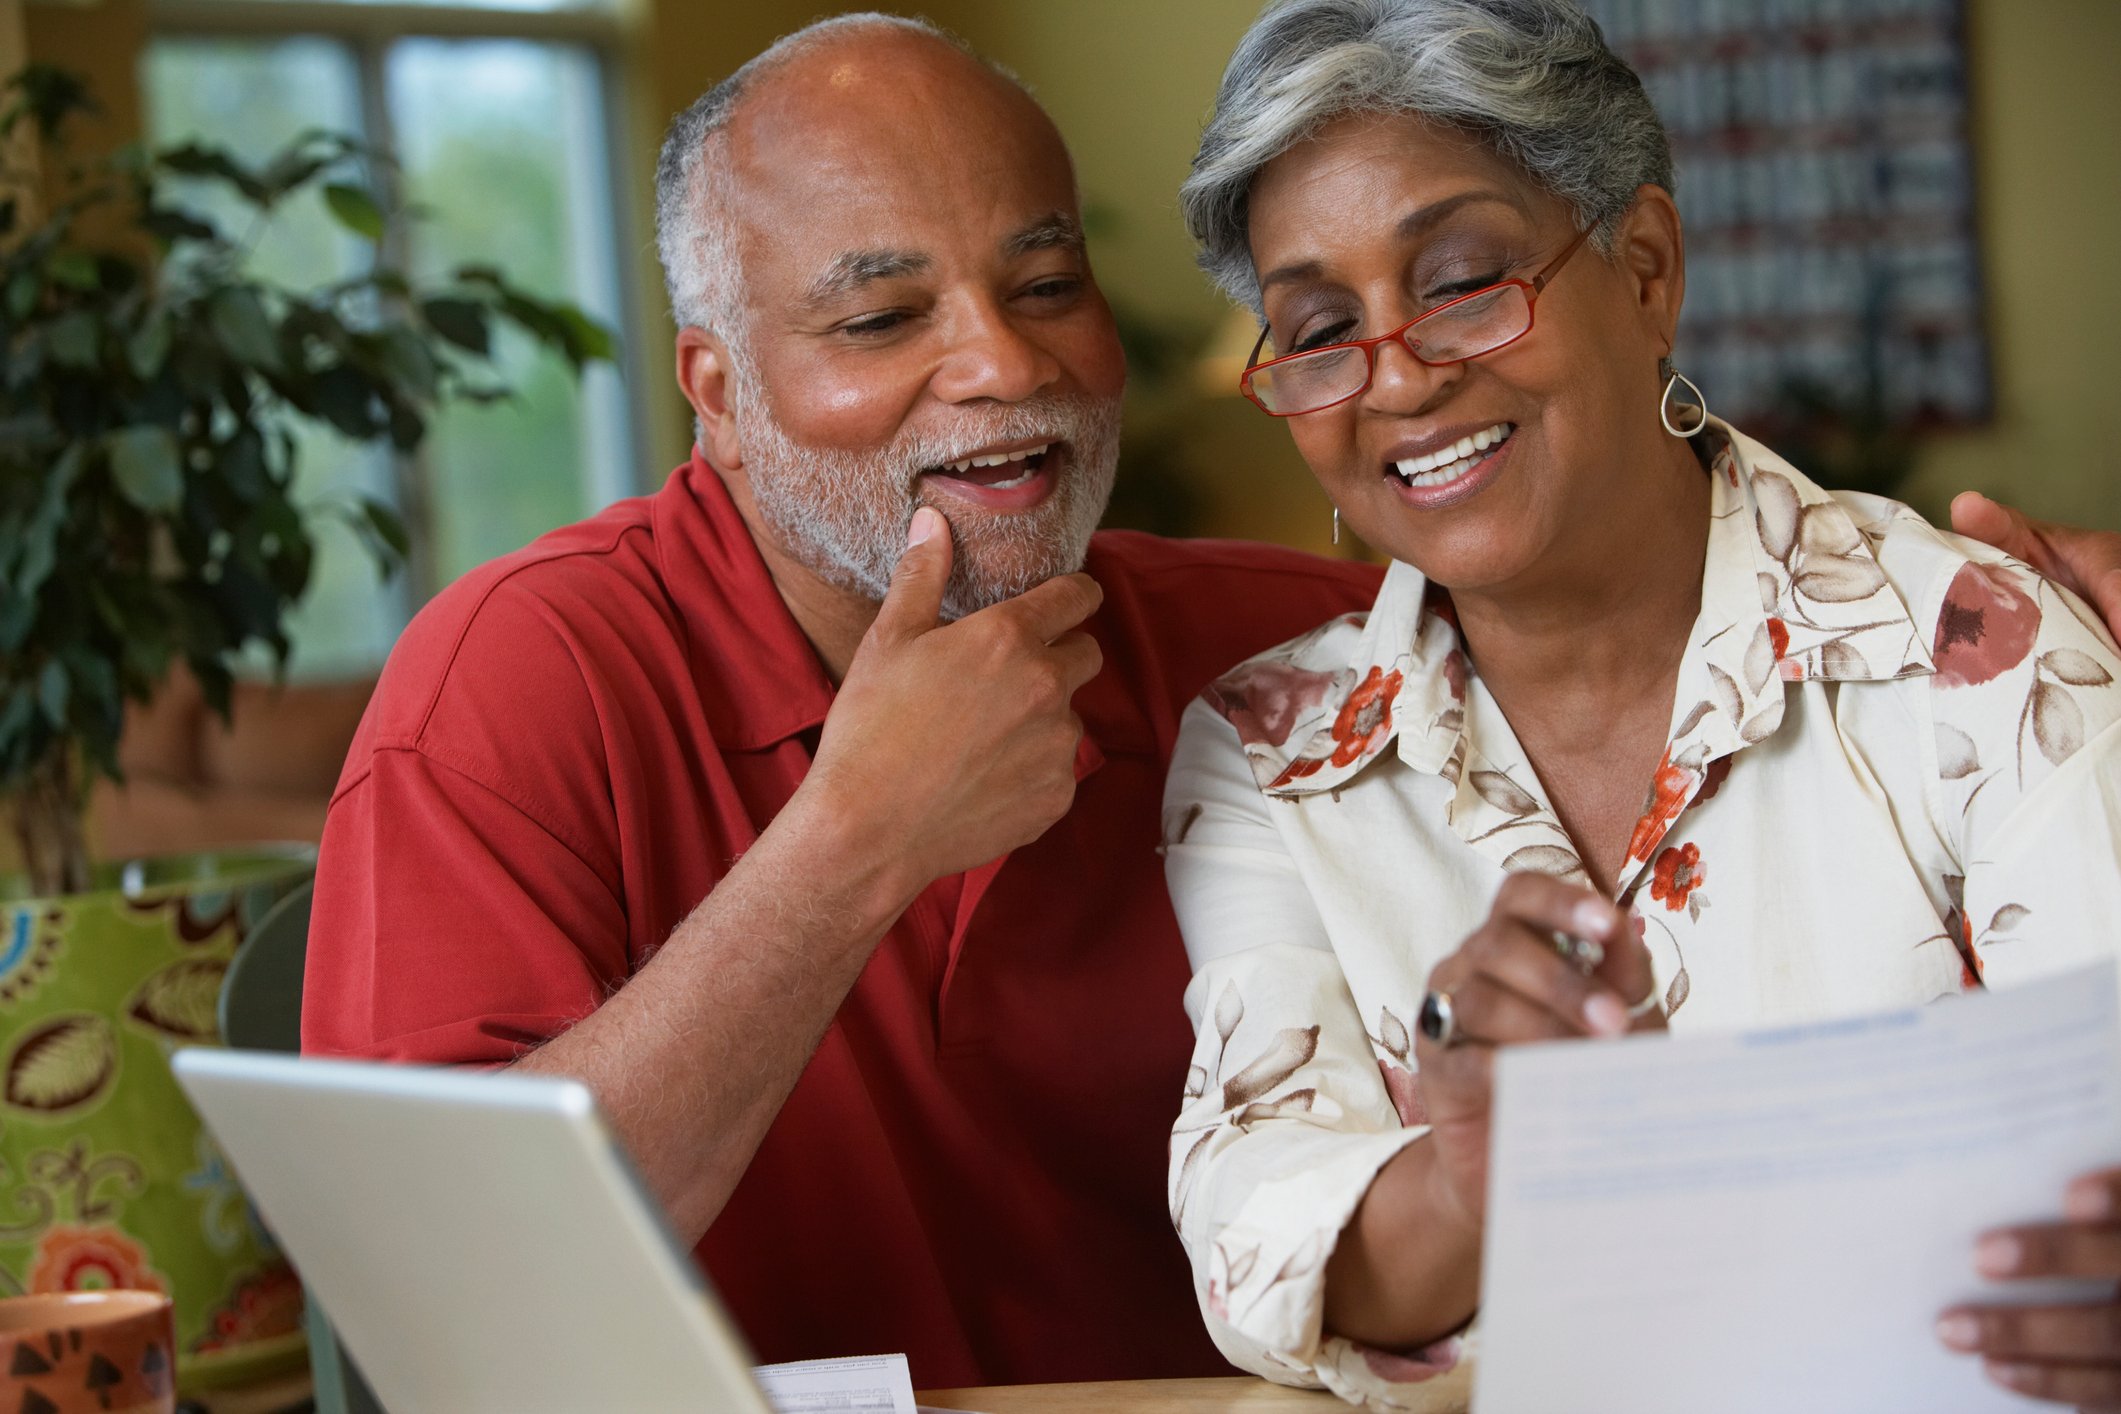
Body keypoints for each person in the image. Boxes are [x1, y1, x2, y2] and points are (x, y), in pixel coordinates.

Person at [299, 5, 2121, 1393]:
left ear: (1643, 271)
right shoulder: (520, 682)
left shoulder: (1268, 658)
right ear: (713, 382)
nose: (1001, 368)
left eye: (1044, 282)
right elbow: (437, 1314)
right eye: (877, 322)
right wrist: (853, 839)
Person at [1163, 1, 2121, 1409]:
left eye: (1463, 279)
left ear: (1647, 272)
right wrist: (1472, 1164)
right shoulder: (1269, 751)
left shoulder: (1974, 650)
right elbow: (1258, 1244)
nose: (1400, 375)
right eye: (1318, 327)